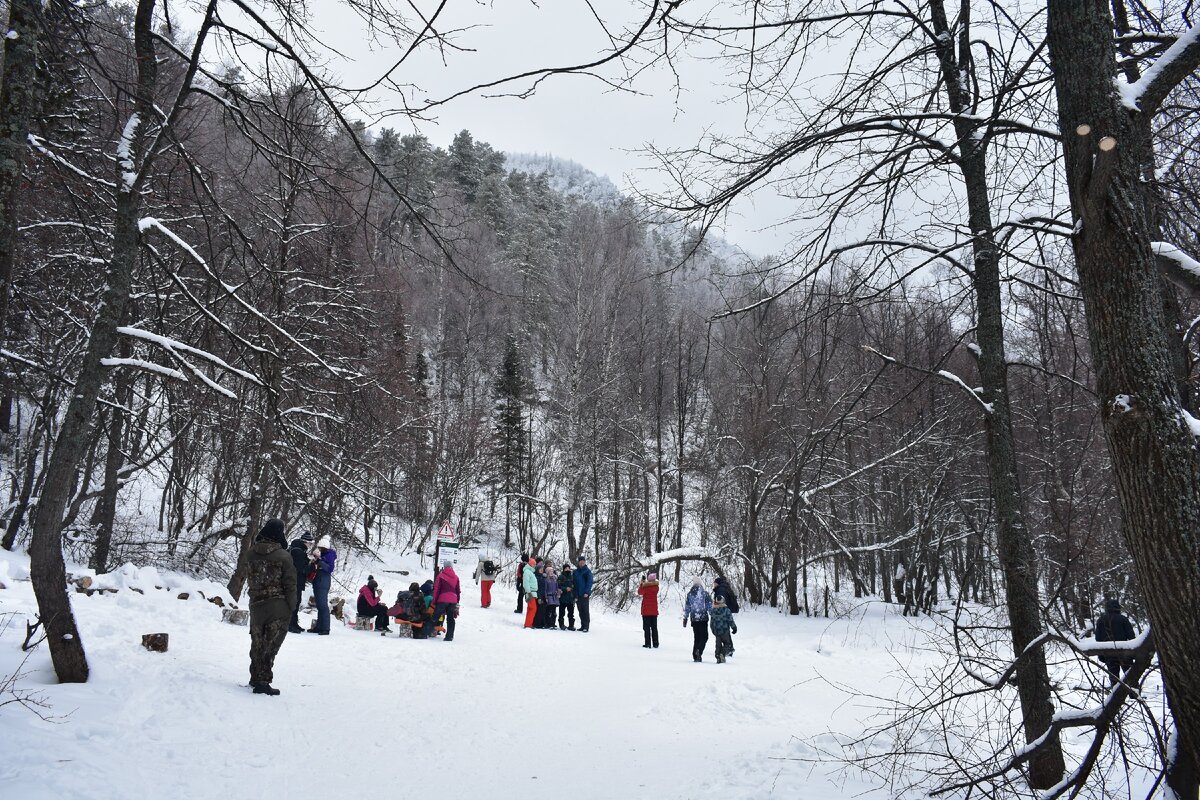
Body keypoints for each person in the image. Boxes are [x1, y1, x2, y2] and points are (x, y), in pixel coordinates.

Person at [246, 518, 297, 695]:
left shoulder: (251, 553)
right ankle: (263, 682)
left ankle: (254, 677)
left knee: (257, 643)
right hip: (278, 606)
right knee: (270, 646)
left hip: (256, 605)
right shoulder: (284, 556)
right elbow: (290, 584)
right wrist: (291, 606)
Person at [1095, 598, 1136, 685]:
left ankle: (1117, 696)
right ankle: (1134, 695)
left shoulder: (1101, 620)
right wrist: (1134, 653)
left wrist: (1101, 654)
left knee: (1114, 677)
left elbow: (1098, 639)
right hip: (1124, 651)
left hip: (1109, 652)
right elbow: (1131, 636)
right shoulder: (1123, 619)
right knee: (1130, 676)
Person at [286, 532, 313, 633]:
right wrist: (312, 566)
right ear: (305, 542)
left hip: (294, 581)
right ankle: (290, 624)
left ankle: (294, 623)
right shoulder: (298, 552)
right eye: (310, 543)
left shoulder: (297, 549)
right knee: (294, 603)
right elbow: (302, 568)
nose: (310, 545)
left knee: (296, 602)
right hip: (295, 581)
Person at [311, 536, 336, 635]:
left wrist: (320, 562)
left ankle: (325, 628)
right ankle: (319, 626)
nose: (319, 549)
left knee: (323, 605)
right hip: (319, 581)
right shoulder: (324, 555)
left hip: (323, 581)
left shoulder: (329, 556)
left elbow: (330, 569)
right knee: (319, 605)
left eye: (321, 548)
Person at [683, 577, 713, 662]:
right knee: (704, 637)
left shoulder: (690, 594)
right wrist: (712, 614)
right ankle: (699, 651)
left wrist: (685, 618)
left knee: (697, 637)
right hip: (703, 618)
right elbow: (709, 606)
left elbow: (687, 607)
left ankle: (695, 656)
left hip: (694, 618)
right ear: (700, 584)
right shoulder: (705, 594)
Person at [432, 559, 461, 642]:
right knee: (451, 619)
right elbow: (458, 591)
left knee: (435, 616)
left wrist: (434, 600)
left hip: (442, 600)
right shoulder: (456, 577)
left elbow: (436, 589)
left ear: (444, 567)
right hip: (453, 601)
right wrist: (457, 602)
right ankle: (449, 637)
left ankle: (425, 632)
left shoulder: (441, 575)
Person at [710, 596, 737, 664]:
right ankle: (722, 653)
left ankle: (718, 656)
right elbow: (730, 620)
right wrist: (734, 627)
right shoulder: (726, 610)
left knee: (718, 645)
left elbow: (711, 622)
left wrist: (713, 630)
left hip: (717, 631)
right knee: (727, 644)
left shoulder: (713, 610)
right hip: (725, 631)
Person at [638, 573, 660, 648]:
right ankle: (656, 643)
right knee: (654, 627)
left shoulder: (646, 588)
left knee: (646, 628)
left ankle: (648, 643)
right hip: (654, 611)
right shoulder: (656, 587)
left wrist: (642, 583)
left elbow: (640, 592)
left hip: (646, 611)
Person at [574, 555, 593, 632]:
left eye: (583, 561)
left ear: (584, 562)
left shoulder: (587, 571)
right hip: (578, 594)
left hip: (584, 594)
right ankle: (582, 625)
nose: (581, 562)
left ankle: (586, 626)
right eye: (580, 561)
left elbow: (589, 582)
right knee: (580, 610)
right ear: (578, 562)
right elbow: (574, 582)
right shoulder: (575, 572)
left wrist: (586, 592)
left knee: (585, 610)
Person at [558, 564, 576, 630]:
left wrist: (574, 595)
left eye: (568, 568)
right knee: (562, 613)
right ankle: (561, 625)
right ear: (563, 569)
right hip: (563, 597)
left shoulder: (572, 577)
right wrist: (565, 589)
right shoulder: (560, 577)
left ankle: (571, 625)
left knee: (571, 613)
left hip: (570, 598)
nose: (567, 569)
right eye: (566, 568)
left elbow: (575, 586)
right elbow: (558, 586)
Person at [522, 558, 539, 629]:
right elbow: (526, 583)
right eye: (534, 564)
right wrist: (528, 592)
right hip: (530, 593)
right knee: (533, 609)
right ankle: (528, 624)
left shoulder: (530, 572)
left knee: (530, 608)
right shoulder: (527, 572)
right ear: (531, 564)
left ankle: (528, 623)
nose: (535, 566)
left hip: (533, 593)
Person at [544, 564, 561, 629]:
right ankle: (549, 624)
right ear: (547, 572)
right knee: (549, 611)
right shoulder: (546, 580)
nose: (551, 572)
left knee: (554, 612)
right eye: (550, 571)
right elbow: (545, 589)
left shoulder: (555, 579)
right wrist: (546, 597)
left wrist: (558, 592)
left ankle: (553, 624)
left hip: (555, 597)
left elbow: (557, 587)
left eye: (552, 571)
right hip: (549, 596)